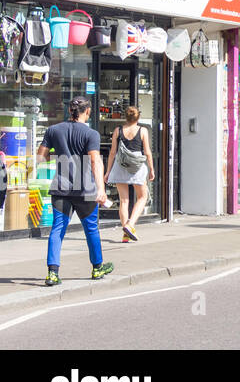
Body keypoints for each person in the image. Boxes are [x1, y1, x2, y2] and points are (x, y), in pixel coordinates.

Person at [35, 96, 113, 286]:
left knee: (57, 229)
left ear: (70, 111)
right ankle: (97, 268)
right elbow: (95, 161)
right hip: (85, 188)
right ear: (87, 112)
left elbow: (40, 159)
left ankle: (52, 273)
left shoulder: (53, 130)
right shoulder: (91, 134)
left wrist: (62, 154)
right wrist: (101, 190)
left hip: (61, 187)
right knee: (91, 229)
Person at [104, 106, 154, 242]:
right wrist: (151, 169)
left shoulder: (118, 131)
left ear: (125, 117)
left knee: (124, 201)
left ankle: (126, 234)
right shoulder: (142, 130)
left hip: (121, 165)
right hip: (137, 167)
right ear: (138, 117)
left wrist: (108, 171)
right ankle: (130, 225)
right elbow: (147, 152)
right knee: (142, 197)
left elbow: (113, 152)